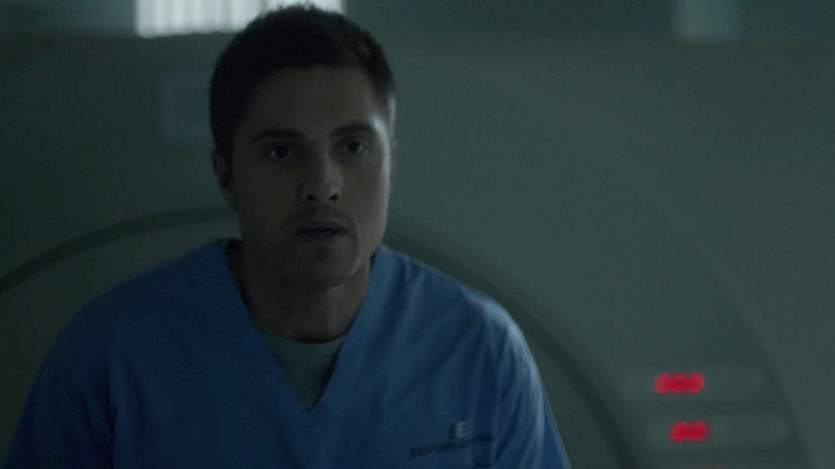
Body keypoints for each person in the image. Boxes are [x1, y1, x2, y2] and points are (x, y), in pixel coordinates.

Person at [4, 5, 571, 468]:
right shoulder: (112, 359)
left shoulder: (479, 352)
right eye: (281, 152)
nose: (322, 185)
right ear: (227, 177)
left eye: (353, 147)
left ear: (391, 167)